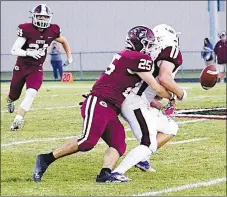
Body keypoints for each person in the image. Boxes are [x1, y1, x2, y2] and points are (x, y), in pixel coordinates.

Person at [32, 26, 174, 183]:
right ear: (139, 43)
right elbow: (155, 86)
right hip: (100, 101)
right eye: (148, 43)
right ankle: (45, 158)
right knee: (87, 142)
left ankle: (105, 174)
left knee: (118, 143)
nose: (150, 47)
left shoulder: (127, 55)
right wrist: (174, 94)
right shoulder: (137, 58)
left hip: (111, 106)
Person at [109, 24, 187, 182]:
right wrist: (180, 94)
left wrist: (158, 101)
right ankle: (117, 172)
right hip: (134, 102)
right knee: (149, 143)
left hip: (138, 101)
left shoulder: (150, 52)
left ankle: (142, 159)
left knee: (170, 127)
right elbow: (164, 79)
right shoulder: (170, 50)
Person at [6, 4, 73, 131]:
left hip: (36, 67)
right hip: (22, 66)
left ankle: (18, 119)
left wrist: (69, 56)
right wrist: (28, 52)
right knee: (14, 94)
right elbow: (14, 50)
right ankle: (10, 100)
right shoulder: (26, 29)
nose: (42, 20)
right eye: (40, 17)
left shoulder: (53, 30)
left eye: (45, 17)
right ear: (34, 17)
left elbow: (64, 41)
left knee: (31, 92)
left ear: (49, 18)